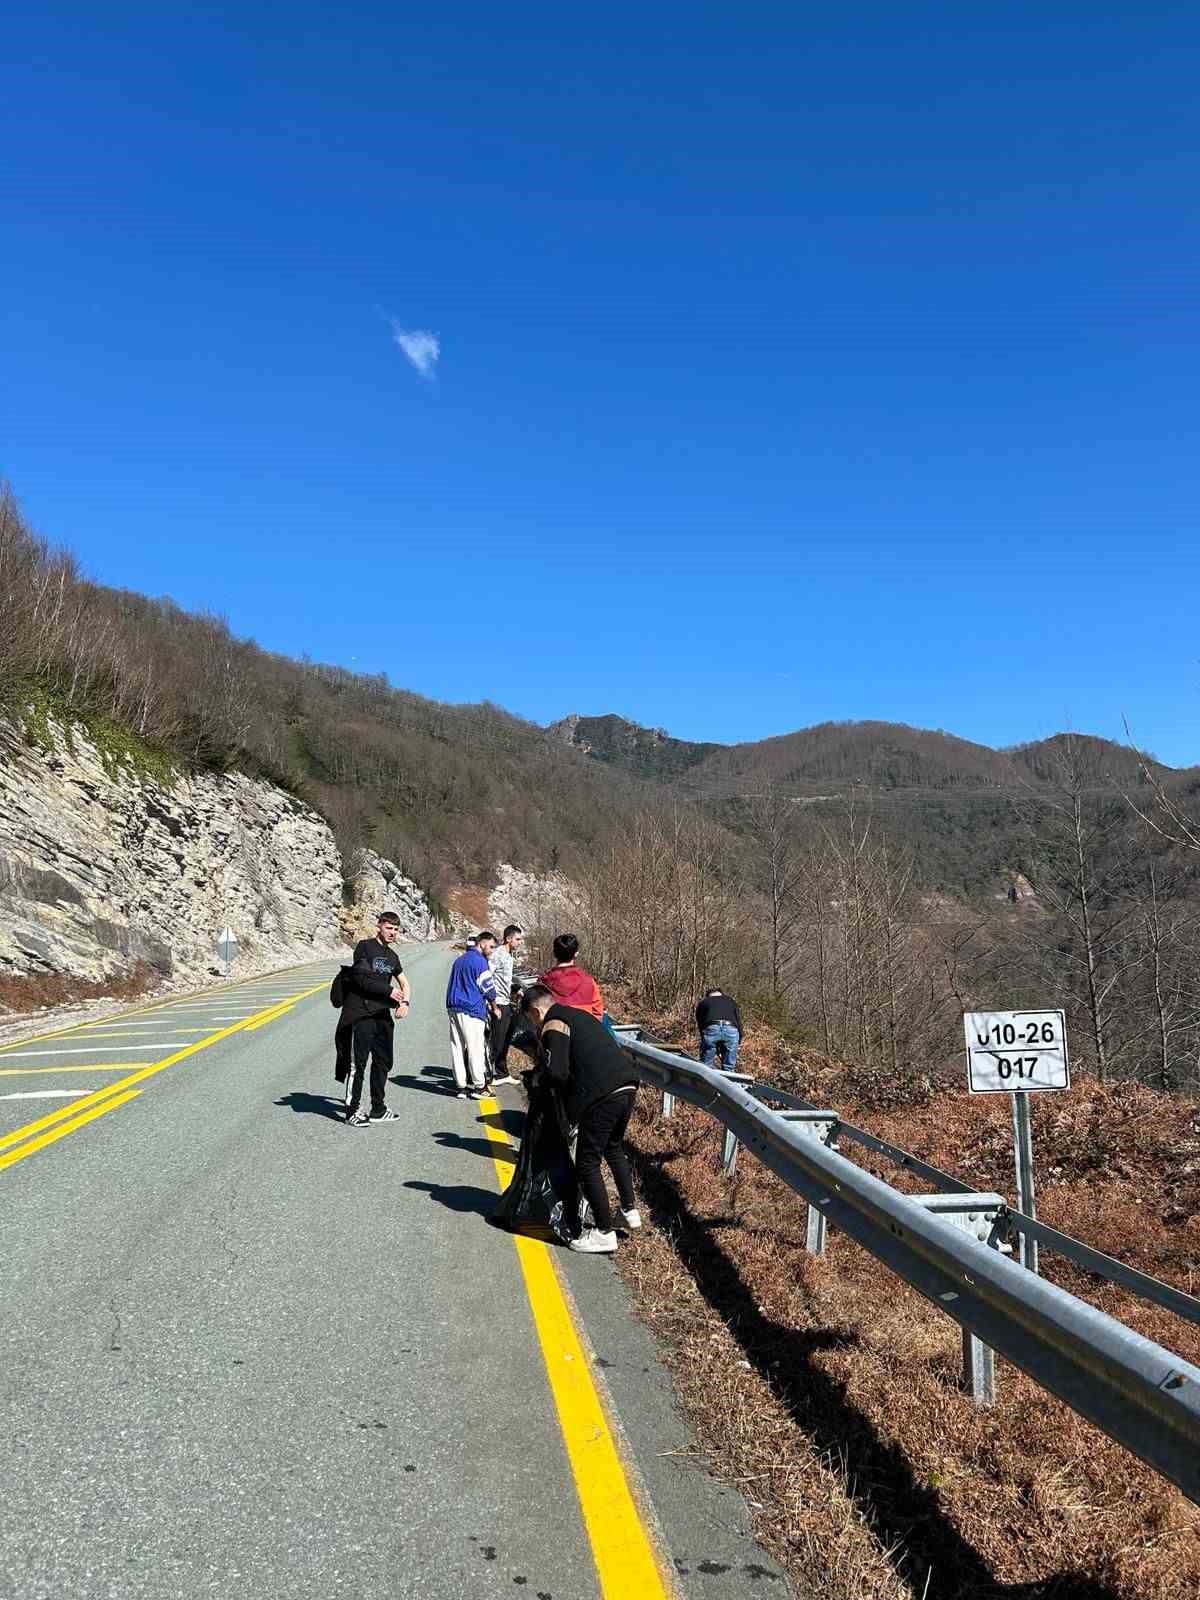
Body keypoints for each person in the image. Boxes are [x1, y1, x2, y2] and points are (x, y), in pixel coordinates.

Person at [523, 983, 641, 1254]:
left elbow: (557, 1072)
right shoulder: (577, 1014)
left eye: (531, 1019)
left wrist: (539, 1081)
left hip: (602, 1094)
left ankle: (603, 1232)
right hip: (627, 1084)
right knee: (613, 1147)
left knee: (587, 1162)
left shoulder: (554, 1023)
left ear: (536, 1011)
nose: (534, 1025)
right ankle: (629, 1210)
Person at [339, 912, 411, 1126]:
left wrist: (405, 1002)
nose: (393, 933)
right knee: (358, 1064)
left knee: (383, 1061)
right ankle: (352, 1111)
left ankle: (378, 1108)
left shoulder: (393, 957)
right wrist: (389, 991)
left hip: (382, 1015)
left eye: (396, 929)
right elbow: (360, 979)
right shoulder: (365, 947)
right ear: (379, 926)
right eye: (389, 928)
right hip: (362, 1013)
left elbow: (405, 983)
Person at [445, 930, 499, 1099]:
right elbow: (488, 988)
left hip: (454, 1006)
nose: (491, 950)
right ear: (481, 943)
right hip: (471, 1008)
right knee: (475, 1047)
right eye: (490, 946)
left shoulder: (459, 960)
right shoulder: (480, 962)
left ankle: (461, 1087)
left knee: (457, 1047)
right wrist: (494, 1006)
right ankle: (479, 1086)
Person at [487, 923, 524, 1085]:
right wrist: (490, 1002)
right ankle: (486, 1074)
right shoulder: (498, 954)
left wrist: (515, 989)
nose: (520, 942)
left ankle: (502, 1073)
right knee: (497, 1040)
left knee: (506, 1038)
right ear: (509, 939)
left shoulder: (509, 956)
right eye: (517, 939)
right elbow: (487, 976)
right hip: (498, 1003)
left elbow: (504, 979)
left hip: (507, 1001)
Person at [538, 932, 604, 1020]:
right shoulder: (589, 982)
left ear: (554, 953)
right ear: (576, 954)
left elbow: (536, 1015)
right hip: (584, 1031)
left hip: (552, 1031)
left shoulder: (542, 984)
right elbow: (598, 1014)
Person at [696, 986, 744, 1070]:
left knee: (706, 1065)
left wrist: (704, 1037)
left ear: (708, 996)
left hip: (711, 1027)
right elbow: (738, 1020)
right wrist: (739, 1038)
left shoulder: (704, 1002)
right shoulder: (730, 1000)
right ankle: (728, 1081)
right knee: (729, 1067)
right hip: (731, 1029)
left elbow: (700, 1023)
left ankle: (705, 1081)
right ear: (722, 994)